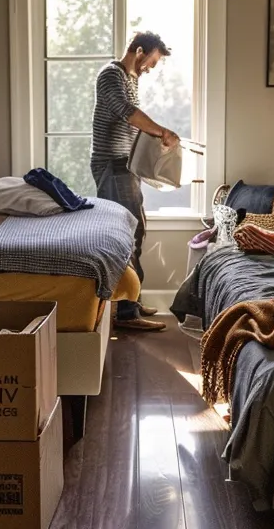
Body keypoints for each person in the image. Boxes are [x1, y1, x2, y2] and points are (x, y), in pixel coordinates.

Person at [90, 31, 180, 333]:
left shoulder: (131, 79)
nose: (150, 69)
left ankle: (131, 301)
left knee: (136, 231)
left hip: (125, 166)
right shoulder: (110, 75)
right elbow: (128, 114)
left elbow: (132, 123)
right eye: (151, 62)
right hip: (112, 165)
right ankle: (126, 312)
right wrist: (162, 132)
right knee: (126, 235)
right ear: (139, 51)